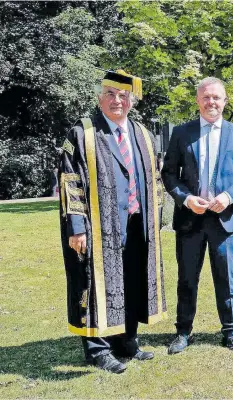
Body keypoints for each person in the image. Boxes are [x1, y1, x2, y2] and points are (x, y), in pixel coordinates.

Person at [58, 70, 165, 374]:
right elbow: (70, 181)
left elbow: (154, 178)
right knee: (94, 284)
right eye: (110, 94)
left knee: (130, 281)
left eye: (123, 96)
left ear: (131, 100)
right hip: (97, 225)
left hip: (135, 222)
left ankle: (126, 340)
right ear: (99, 98)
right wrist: (76, 227)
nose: (117, 101)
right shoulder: (83, 133)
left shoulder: (142, 133)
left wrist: (154, 219)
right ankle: (98, 349)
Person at [162, 77, 233, 354]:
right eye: (206, 97)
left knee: (226, 279)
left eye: (216, 97)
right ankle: (183, 332)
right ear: (197, 100)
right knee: (186, 278)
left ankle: (231, 332)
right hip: (190, 219)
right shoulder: (182, 133)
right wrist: (185, 198)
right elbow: (169, 173)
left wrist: (228, 197)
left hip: (225, 220)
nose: (211, 102)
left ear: (225, 101)